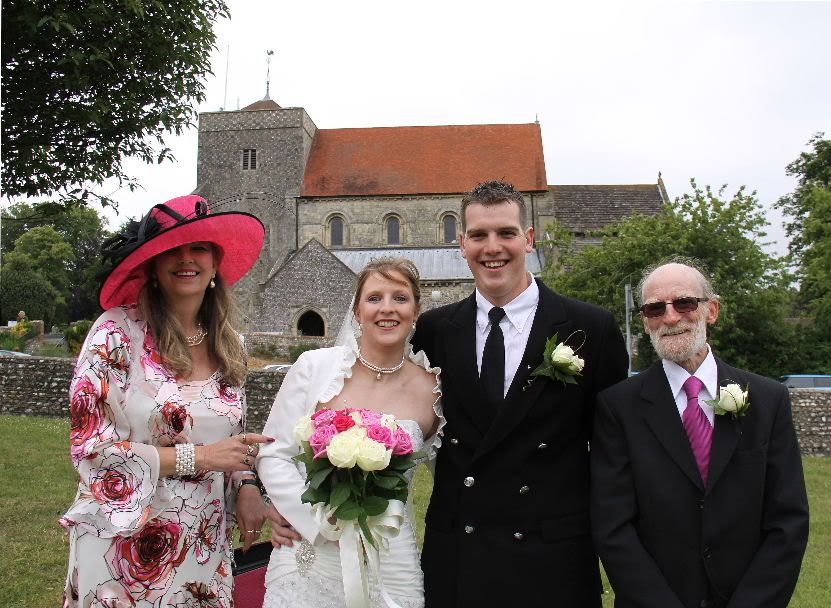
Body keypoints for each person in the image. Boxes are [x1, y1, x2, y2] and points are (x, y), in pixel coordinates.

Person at [410, 180, 629, 607]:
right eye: (479, 235)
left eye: (506, 233)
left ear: (528, 239)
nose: (492, 247)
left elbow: (615, 451)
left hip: (552, 557)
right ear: (462, 244)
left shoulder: (590, 329)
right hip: (460, 553)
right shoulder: (433, 331)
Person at [62, 195, 272, 607]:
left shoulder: (230, 345)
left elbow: (232, 442)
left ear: (215, 264)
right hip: (123, 546)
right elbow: (92, 451)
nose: (186, 259)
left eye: (199, 248)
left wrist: (247, 484)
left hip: (203, 541)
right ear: (153, 265)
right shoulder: (115, 334)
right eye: (172, 249)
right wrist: (202, 457)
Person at [591, 260, 809, 608]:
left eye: (684, 303)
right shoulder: (618, 407)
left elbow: (788, 520)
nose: (670, 317)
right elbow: (613, 526)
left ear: (712, 311)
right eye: (655, 308)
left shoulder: (768, 401)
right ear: (645, 321)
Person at [256, 257, 444, 608]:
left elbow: (449, 472)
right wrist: (312, 520)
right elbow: (273, 453)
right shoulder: (315, 368)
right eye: (374, 298)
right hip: (313, 548)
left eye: (400, 298)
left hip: (391, 556)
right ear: (357, 311)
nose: (387, 308)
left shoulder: (432, 390)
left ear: (416, 311)